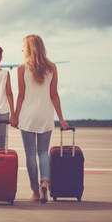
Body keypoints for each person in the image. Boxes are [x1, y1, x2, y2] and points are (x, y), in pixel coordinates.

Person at [11, 34, 69, 204]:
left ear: (28, 48)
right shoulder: (52, 67)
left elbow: (21, 95)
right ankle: (45, 181)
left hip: (28, 116)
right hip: (45, 116)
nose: (22, 49)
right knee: (43, 151)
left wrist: (15, 115)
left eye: (23, 46)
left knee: (30, 153)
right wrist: (61, 119)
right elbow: (54, 95)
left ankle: (35, 192)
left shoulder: (21, 69)